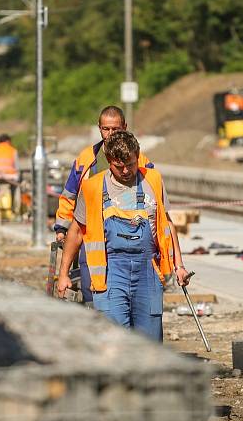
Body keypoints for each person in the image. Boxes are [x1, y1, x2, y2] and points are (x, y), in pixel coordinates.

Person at [56, 131, 190, 340]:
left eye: (131, 164)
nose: (126, 171)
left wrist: (178, 266)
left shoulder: (152, 179)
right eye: (119, 167)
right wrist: (63, 273)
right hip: (110, 273)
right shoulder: (92, 188)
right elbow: (75, 231)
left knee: (149, 343)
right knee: (115, 339)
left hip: (148, 271)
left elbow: (167, 224)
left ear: (137, 156)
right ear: (109, 161)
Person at [54, 106, 153, 304]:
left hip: (130, 234)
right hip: (91, 234)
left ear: (124, 127)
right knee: (93, 290)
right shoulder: (86, 158)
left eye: (115, 129)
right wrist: (62, 228)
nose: (110, 134)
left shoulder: (140, 161)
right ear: (99, 128)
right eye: (106, 129)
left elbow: (152, 198)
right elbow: (69, 194)